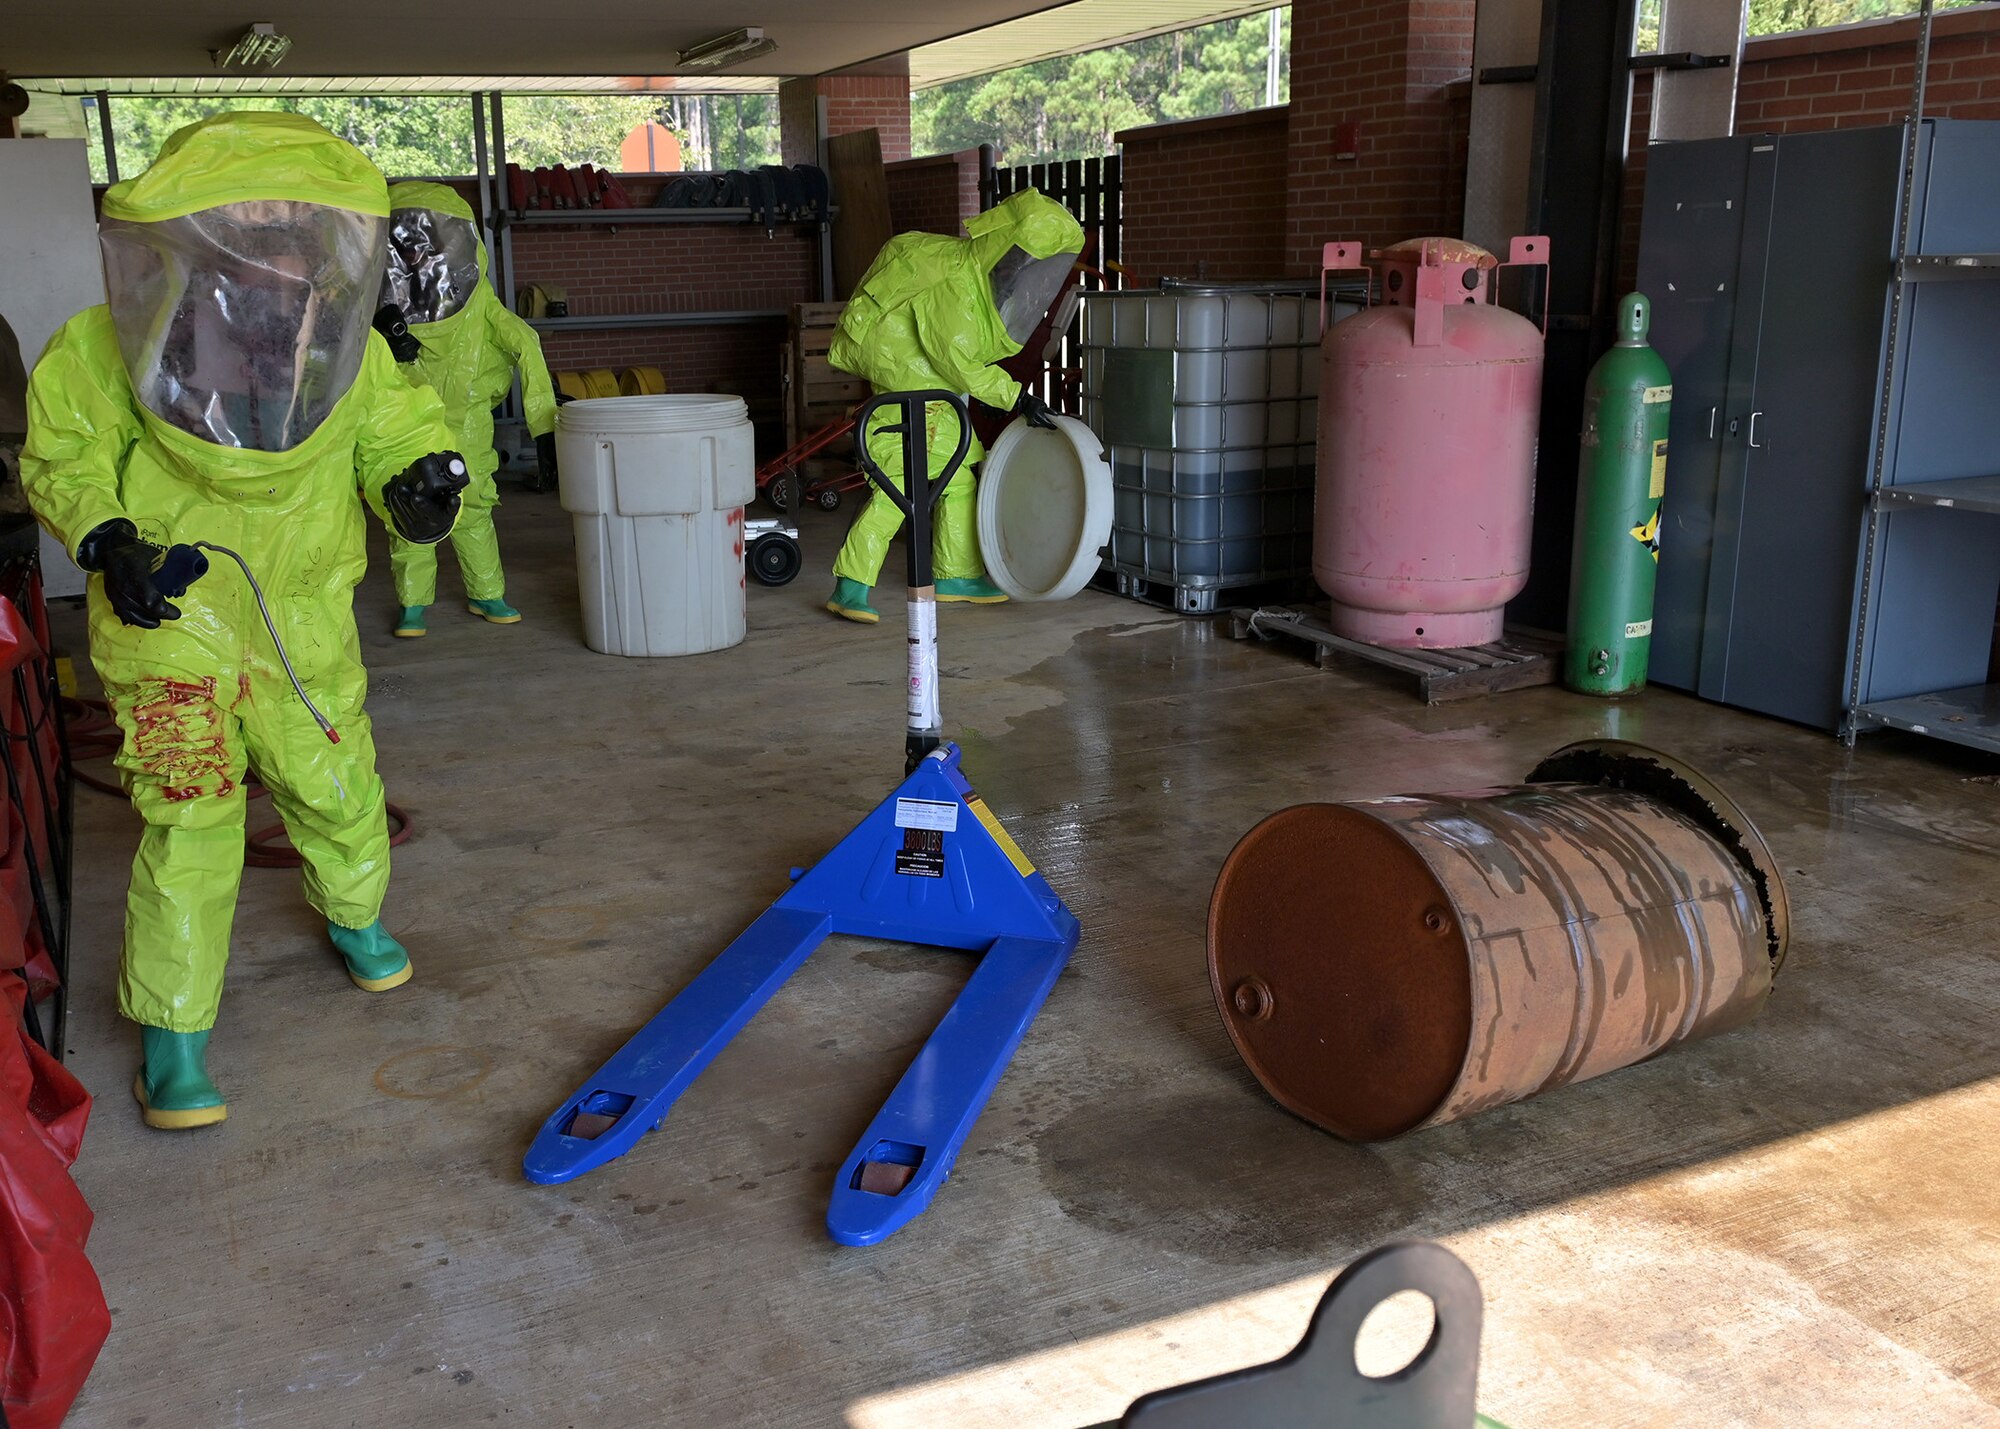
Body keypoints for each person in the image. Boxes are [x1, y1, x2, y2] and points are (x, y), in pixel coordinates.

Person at [21, 112, 467, 1130]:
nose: (267, 262)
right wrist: (107, 541)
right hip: (171, 617)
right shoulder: (105, 347)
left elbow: (396, 428)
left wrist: (420, 484)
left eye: (289, 240)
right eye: (243, 236)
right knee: (191, 818)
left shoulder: (336, 347)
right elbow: (67, 455)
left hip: (298, 614)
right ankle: (174, 1036)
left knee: (337, 783)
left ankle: (354, 916)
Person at [824, 189, 1084, 623]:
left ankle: (955, 575)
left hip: (924, 379)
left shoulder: (975, 282)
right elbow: (956, 358)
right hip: (904, 371)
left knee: (958, 475)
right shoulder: (958, 285)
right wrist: (1016, 397)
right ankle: (851, 584)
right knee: (899, 484)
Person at [373, 181, 558, 638]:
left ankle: (485, 592)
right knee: (410, 505)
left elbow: (526, 343)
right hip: (408, 423)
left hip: (466, 422)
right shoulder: (387, 307)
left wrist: (548, 427)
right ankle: (413, 604)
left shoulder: (479, 307)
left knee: (471, 507)